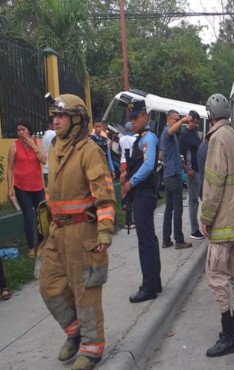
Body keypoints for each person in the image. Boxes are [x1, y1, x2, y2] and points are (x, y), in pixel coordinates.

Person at [39, 94, 115, 370]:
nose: (55, 121)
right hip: (57, 233)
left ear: (76, 120)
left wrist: (105, 232)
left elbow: (105, 197)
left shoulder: (89, 151)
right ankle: (76, 333)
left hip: (84, 233)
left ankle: (93, 348)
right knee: (49, 286)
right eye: (54, 117)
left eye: (61, 116)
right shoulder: (55, 148)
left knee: (86, 292)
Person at [200, 93, 234, 357]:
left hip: (223, 222)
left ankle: (228, 333)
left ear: (210, 115)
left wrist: (205, 218)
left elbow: (213, 183)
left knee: (216, 276)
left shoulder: (217, 139)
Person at [121, 100, 162, 303]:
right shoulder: (141, 139)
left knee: (145, 241)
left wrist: (131, 183)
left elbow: (147, 166)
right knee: (149, 239)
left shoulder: (148, 139)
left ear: (145, 117)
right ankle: (155, 281)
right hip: (142, 194)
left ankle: (149, 287)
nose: (132, 122)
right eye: (130, 118)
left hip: (143, 194)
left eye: (136, 118)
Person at [7, 119, 47, 257]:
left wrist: (32, 145)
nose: (20, 132)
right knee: (28, 217)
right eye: (18, 130)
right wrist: (9, 188)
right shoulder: (14, 146)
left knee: (41, 216)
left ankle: (42, 244)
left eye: (23, 129)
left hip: (38, 186)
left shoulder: (38, 142)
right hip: (21, 187)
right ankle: (31, 247)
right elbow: (10, 168)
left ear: (29, 130)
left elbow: (44, 160)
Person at [160, 110, 192, 250]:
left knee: (169, 208)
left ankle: (166, 239)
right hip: (172, 175)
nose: (178, 121)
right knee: (177, 209)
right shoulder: (168, 131)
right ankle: (179, 240)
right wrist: (183, 120)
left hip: (169, 174)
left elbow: (161, 156)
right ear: (169, 119)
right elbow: (171, 131)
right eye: (176, 119)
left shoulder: (169, 136)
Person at [179, 110, 204, 240]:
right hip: (192, 172)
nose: (197, 125)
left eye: (198, 123)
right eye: (195, 122)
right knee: (193, 201)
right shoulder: (184, 136)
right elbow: (179, 154)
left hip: (199, 171)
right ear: (189, 121)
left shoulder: (194, 133)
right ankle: (194, 230)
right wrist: (187, 169)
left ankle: (204, 225)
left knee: (204, 198)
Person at [42, 117, 56, 186]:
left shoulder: (46, 135)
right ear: (50, 125)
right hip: (51, 171)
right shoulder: (51, 134)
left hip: (47, 170)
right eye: (55, 123)